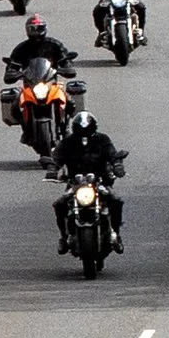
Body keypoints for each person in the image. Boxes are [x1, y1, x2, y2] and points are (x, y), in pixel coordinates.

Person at [52, 104, 128, 253]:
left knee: (116, 201)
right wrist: (52, 169)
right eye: (81, 131)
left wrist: (117, 165)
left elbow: (112, 154)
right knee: (59, 205)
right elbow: (57, 158)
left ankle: (116, 234)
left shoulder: (102, 140)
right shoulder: (67, 142)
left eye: (87, 131)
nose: (84, 135)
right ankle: (63, 237)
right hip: (75, 184)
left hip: (99, 182)